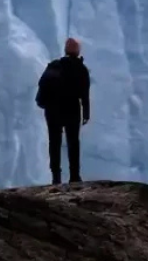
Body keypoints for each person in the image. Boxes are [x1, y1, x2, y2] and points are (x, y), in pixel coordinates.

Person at [35, 37, 91, 185]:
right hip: (72, 108)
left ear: (65, 50)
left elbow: (42, 83)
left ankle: (56, 177)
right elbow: (84, 93)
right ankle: (74, 176)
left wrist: (43, 102)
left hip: (53, 109)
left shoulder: (54, 65)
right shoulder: (81, 69)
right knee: (73, 142)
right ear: (78, 52)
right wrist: (86, 113)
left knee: (54, 142)